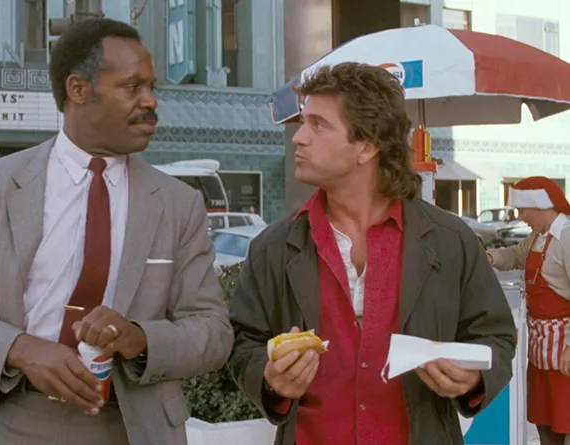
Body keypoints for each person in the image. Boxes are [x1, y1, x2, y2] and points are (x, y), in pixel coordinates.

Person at [0, 17, 232, 445]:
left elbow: (213, 331)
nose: (150, 101)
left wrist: (139, 338)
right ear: (78, 90)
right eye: (132, 87)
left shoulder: (178, 203)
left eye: (151, 87)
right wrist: (23, 349)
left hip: (134, 426)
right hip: (17, 419)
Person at [228, 62, 517, 445]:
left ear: (367, 146)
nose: (298, 138)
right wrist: (269, 380)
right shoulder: (273, 248)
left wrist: (475, 379)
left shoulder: (451, 241)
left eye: (318, 124)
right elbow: (244, 341)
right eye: (302, 123)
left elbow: (496, 336)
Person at [487, 176, 570, 445]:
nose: (520, 217)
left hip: (564, 353)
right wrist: (489, 257)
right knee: (544, 425)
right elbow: (515, 256)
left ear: (540, 205)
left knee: (565, 423)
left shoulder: (567, 238)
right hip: (541, 350)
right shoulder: (538, 237)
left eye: (522, 210)